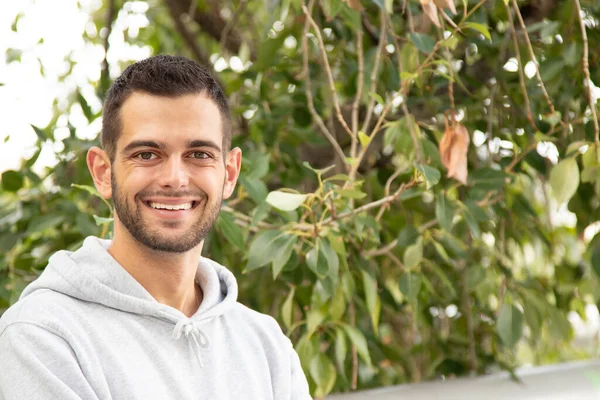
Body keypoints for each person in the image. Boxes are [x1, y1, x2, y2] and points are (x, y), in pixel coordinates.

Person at [0, 55, 311, 399]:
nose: (175, 179)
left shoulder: (266, 345)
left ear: (230, 174)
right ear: (103, 173)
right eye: (147, 154)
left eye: (199, 154)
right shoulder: (43, 336)